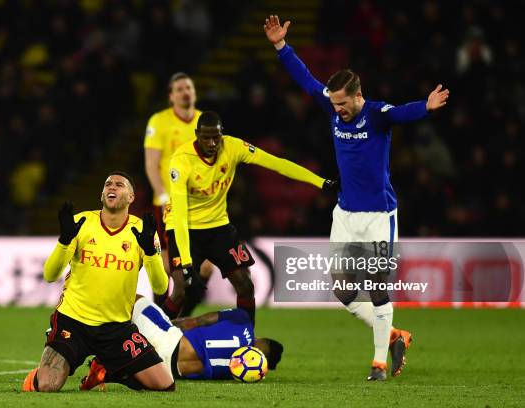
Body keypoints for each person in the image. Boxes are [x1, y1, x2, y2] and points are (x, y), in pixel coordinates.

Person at [264, 15, 450, 380]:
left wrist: (425, 107)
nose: (337, 110)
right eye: (333, 105)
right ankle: (396, 334)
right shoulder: (334, 108)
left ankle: (379, 362)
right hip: (345, 214)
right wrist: (281, 47)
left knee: (379, 287)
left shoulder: (376, 115)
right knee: (343, 290)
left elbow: (399, 113)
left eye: (342, 104)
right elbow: (306, 80)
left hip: (379, 215)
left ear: (357, 96)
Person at [162, 110, 337, 324]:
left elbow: (277, 164)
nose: (211, 143)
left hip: (218, 226)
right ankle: (152, 339)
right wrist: (187, 263)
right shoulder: (181, 160)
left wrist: (320, 182)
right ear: (197, 134)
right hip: (185, 228)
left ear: (221, 135)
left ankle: (247, 340)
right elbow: (178, 213)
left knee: (246, 285)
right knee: (180, 289)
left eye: (215, 137)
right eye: (205, 137)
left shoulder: (234, 147)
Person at [22, 171, 174, 392]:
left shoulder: (143, 231)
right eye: (107, 184)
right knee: (47, 386)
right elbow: (50, 275)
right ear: (102, 194)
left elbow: (161, 288)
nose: (112, 187)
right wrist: (64, 241)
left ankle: (104, 370)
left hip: (117, 328)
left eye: (119, 184)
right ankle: (39, 374)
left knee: (164, 385)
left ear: (131, 197)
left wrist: (150, 252)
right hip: (73, 322)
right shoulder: (81, 223)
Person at [78, 295, 284, 388]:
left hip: (169, 339)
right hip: (166, 371)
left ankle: (80, 319)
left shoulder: (242, 319)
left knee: (134, 299)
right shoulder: (237, 371)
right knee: (140, 368)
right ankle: (111, 370)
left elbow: (197, 321)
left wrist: (168, 323)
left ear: (259, 338)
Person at [143, 72, 214, 316]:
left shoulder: (205, 123)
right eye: (180, 89)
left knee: (205, 268)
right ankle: (159, 319)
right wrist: (162, 195)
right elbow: (152, 164)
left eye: (189, 88)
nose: (186, 92)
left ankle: (183, 318)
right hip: (168, 205)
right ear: (171, 96)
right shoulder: (159, 121)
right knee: (166, 265)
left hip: (201, 206)